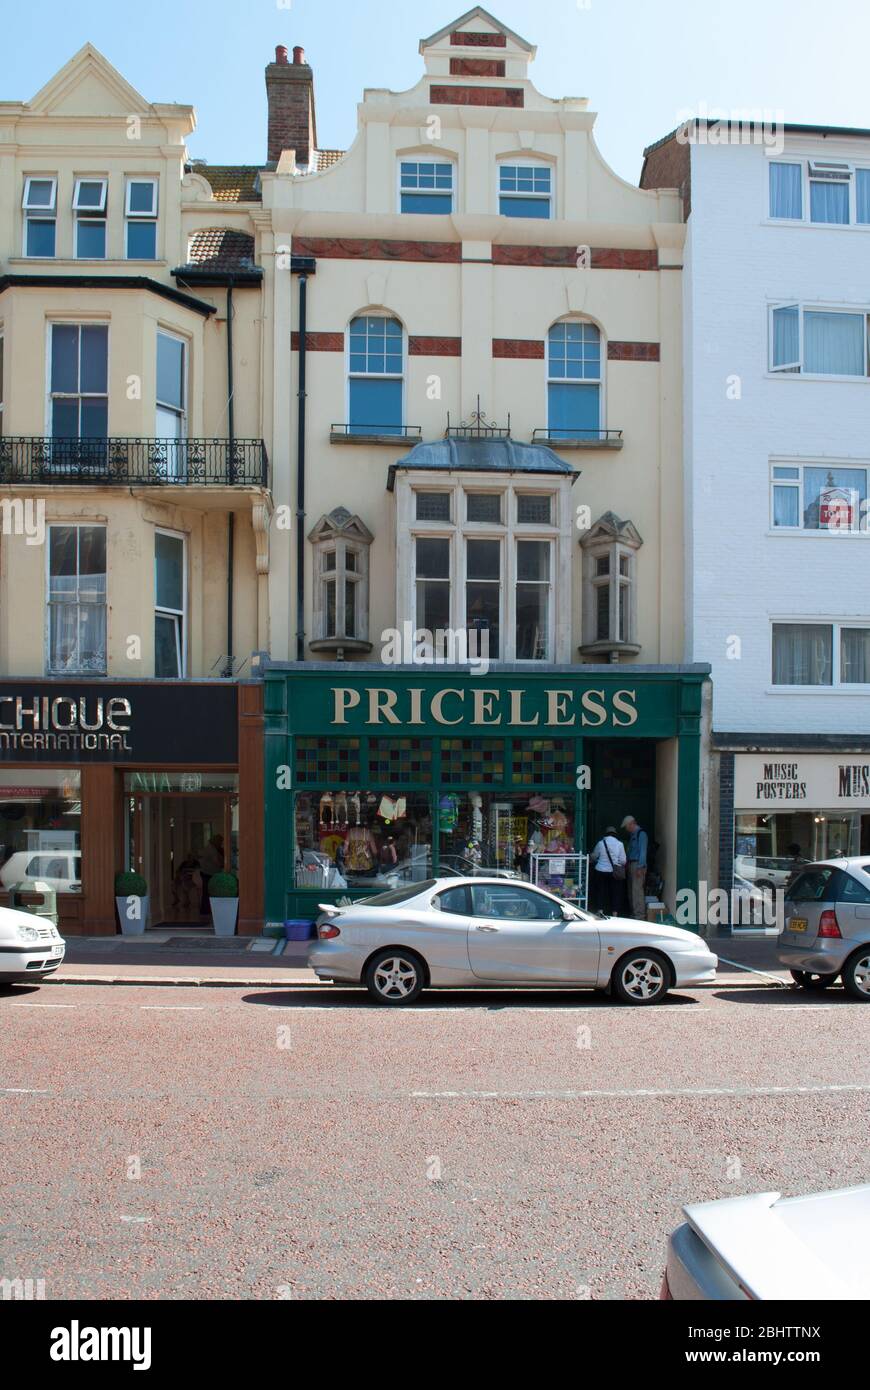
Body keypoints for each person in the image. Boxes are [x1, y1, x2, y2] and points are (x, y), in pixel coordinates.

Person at [590, 826, 626, 915]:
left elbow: (594, 856)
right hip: (614, 873)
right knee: (615, 893)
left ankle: (600, 912)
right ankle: (615, 913)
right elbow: (623, 861)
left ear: (606, 834)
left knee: (600, 891)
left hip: (601, 870)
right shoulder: (620, 844)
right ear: (615, 834)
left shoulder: (601, 843)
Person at [621, 815, 648, 919]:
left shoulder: (641, 834)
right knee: (632, 890)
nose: (626, 829)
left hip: (637, 864)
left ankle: (640, 915)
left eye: (627, 826)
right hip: (632, 864)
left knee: (637, 890)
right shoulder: (634, 835)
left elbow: (643, 851)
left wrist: (640, 867)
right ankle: (634, 913)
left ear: (631, 824)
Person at [199, 833, 224, 914]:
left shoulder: (210, 847)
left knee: (206, 892)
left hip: (207, 873)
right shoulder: (212, 849)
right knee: (208, 892)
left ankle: (205, 910)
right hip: (208, 873)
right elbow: (216, 861)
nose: (221, 843)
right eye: (220, 841)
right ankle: (206, 910)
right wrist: (224, 864)